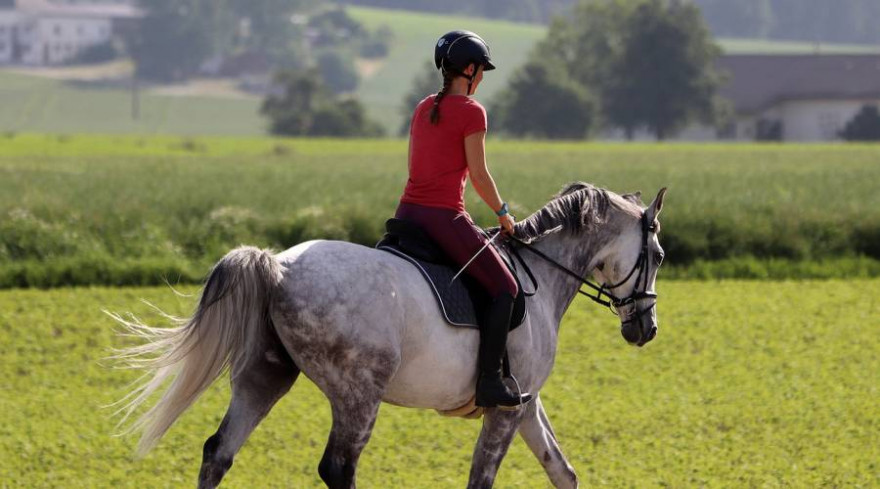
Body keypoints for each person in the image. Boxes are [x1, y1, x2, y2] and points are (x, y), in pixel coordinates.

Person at [395, 30, 532, 409]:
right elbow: (479, 174)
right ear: (469, 70)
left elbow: (417, 167)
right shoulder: (473, 111)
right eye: (482, 71)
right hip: (443, 219)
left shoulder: (424, 107)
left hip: (407, 215)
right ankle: (489, 381)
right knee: (506, 288)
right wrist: (503, 215)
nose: (483, 79)